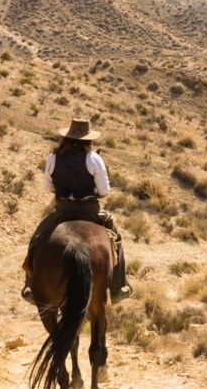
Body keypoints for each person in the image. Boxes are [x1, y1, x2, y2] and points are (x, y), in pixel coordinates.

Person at [20, 118, 131, 302]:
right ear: (88, 140)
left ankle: (31, 286)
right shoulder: (94, 158)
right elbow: (104, 191)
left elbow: (48, 187)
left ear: (66, 138)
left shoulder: (53, 158)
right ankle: (119, 288)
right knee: (117, 239)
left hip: (63, 210)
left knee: (37, 238)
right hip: (90, 211)